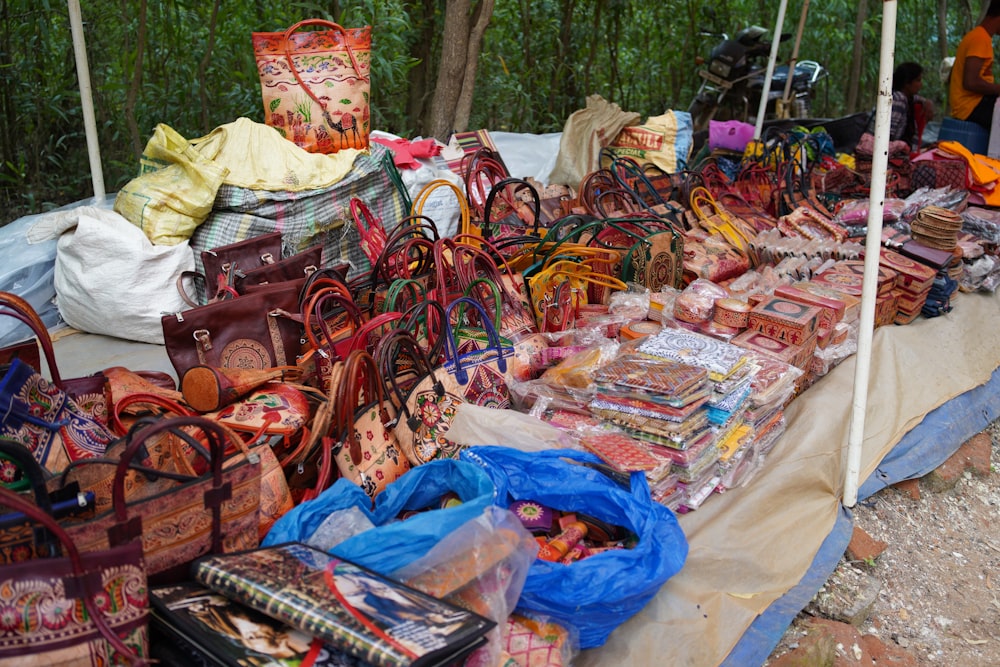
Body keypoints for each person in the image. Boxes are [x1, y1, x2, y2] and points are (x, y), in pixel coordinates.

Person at [948, 0, 1000, 132]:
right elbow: (970, 82)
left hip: (975, 103)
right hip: (970, 106)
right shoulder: (980, 39)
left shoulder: (981, 37)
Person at [865, 62, 932, 150]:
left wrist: (927, 102)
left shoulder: (902, 97)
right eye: (918, 80)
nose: (921, 84)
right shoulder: (898, 101)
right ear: (907, 83)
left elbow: (916, 98)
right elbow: (887, 135)